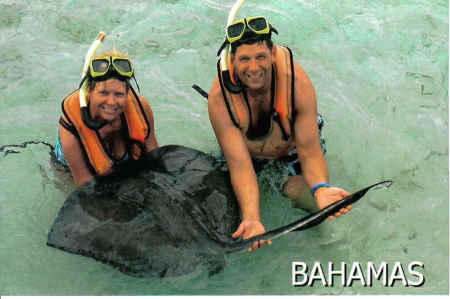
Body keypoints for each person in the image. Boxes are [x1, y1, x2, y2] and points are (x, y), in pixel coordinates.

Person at [207, 16, 352, 252]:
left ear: (273, 54)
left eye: (261, 57)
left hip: (290, 145)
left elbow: (309, 150)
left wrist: (321, 188)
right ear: (232, 60)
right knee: (224, 201)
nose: (254, 68)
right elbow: (240, 166)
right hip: (248, 153)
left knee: (301, 193)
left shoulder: (296, 83)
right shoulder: (219, 100)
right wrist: (252, 217)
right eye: (244, 59)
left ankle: (327, 236)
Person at [54, 49, 158, 186]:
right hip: (72, 171)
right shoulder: (71, 130)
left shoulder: (141, 108)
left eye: (119, 94)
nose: (111, 102)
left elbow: (154, 155)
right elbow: (84, 185)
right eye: (103, 93)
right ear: (89, 92)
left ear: (128, 94)